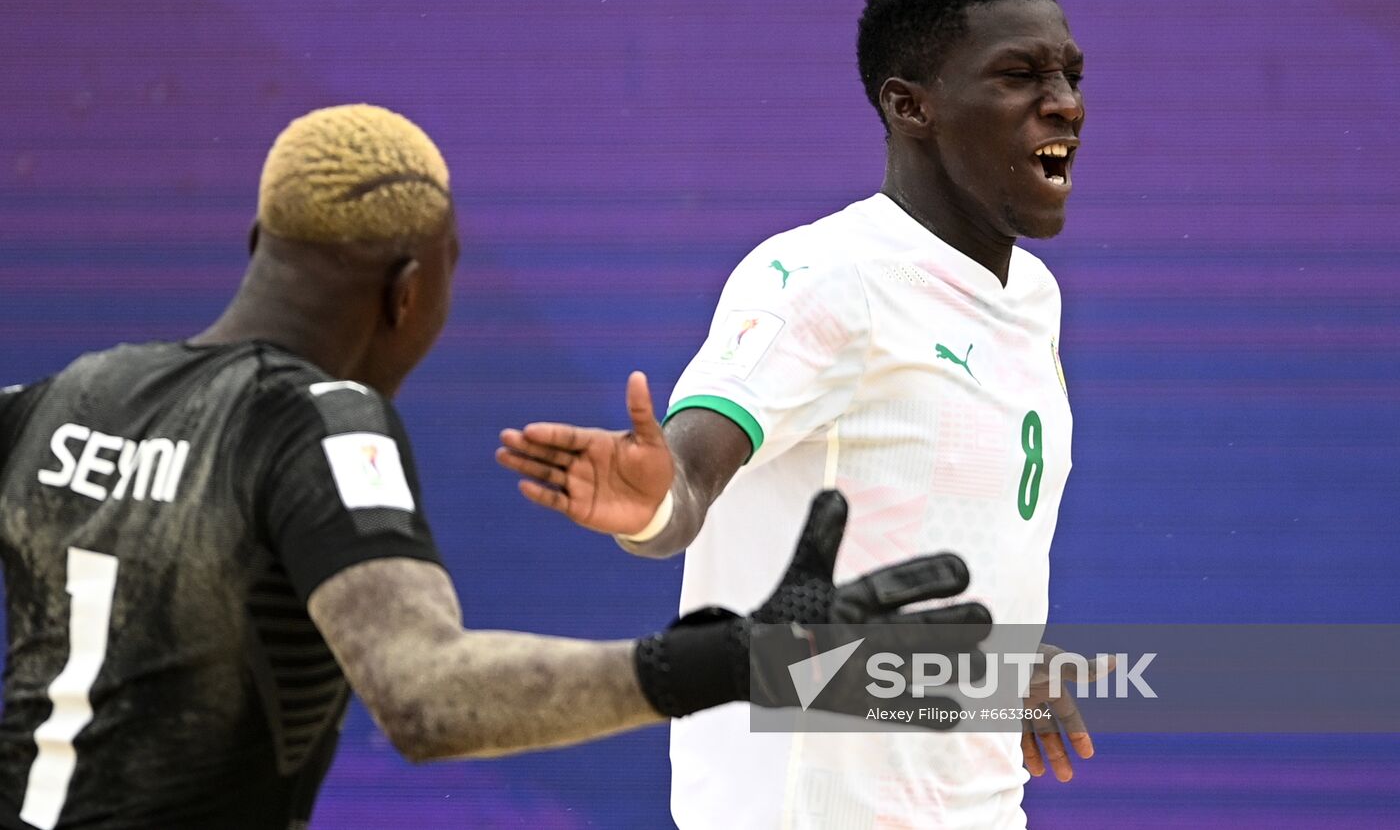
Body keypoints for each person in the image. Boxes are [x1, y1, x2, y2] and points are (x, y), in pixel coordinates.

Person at [0, 104, 986, 830]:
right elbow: (425, 696)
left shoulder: (65, 396)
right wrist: (732, 658)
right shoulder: (320, 423)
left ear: (258, 241)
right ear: (410, 291)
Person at [496, 0, 1090, 829]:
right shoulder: (825, 276)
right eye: (1019, 75)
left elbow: (943, 540)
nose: (1066, 104)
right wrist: (654, 505)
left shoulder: (1032, 298)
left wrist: (1003, 662)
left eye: (1070, 73)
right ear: (910, 106)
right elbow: (689, 484)